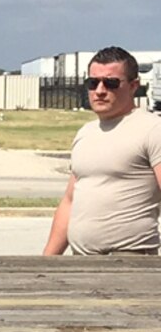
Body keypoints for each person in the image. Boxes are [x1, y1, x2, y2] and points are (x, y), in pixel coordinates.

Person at [42, 47, 161, 257]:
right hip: (81, 259)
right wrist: (47, 261)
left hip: (128, 259)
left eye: (111, 83)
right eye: (93, 82)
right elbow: (70, 201)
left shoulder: (152, 130)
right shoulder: (86, 133)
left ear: (134, 86)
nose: (100, 90)